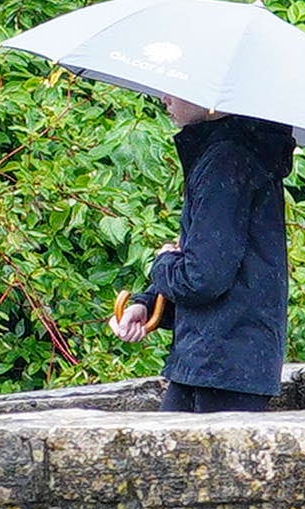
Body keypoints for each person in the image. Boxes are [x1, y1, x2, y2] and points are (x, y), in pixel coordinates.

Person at [110, 96, 295, 413]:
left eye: (173, 90)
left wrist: (162, 264)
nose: (163, 98)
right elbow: (212, 258)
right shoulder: (231, 153)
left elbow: (203, 277)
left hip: (222, 363)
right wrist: (149, 303)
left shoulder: (226, 161)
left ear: (209, 98)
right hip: (220, 360)